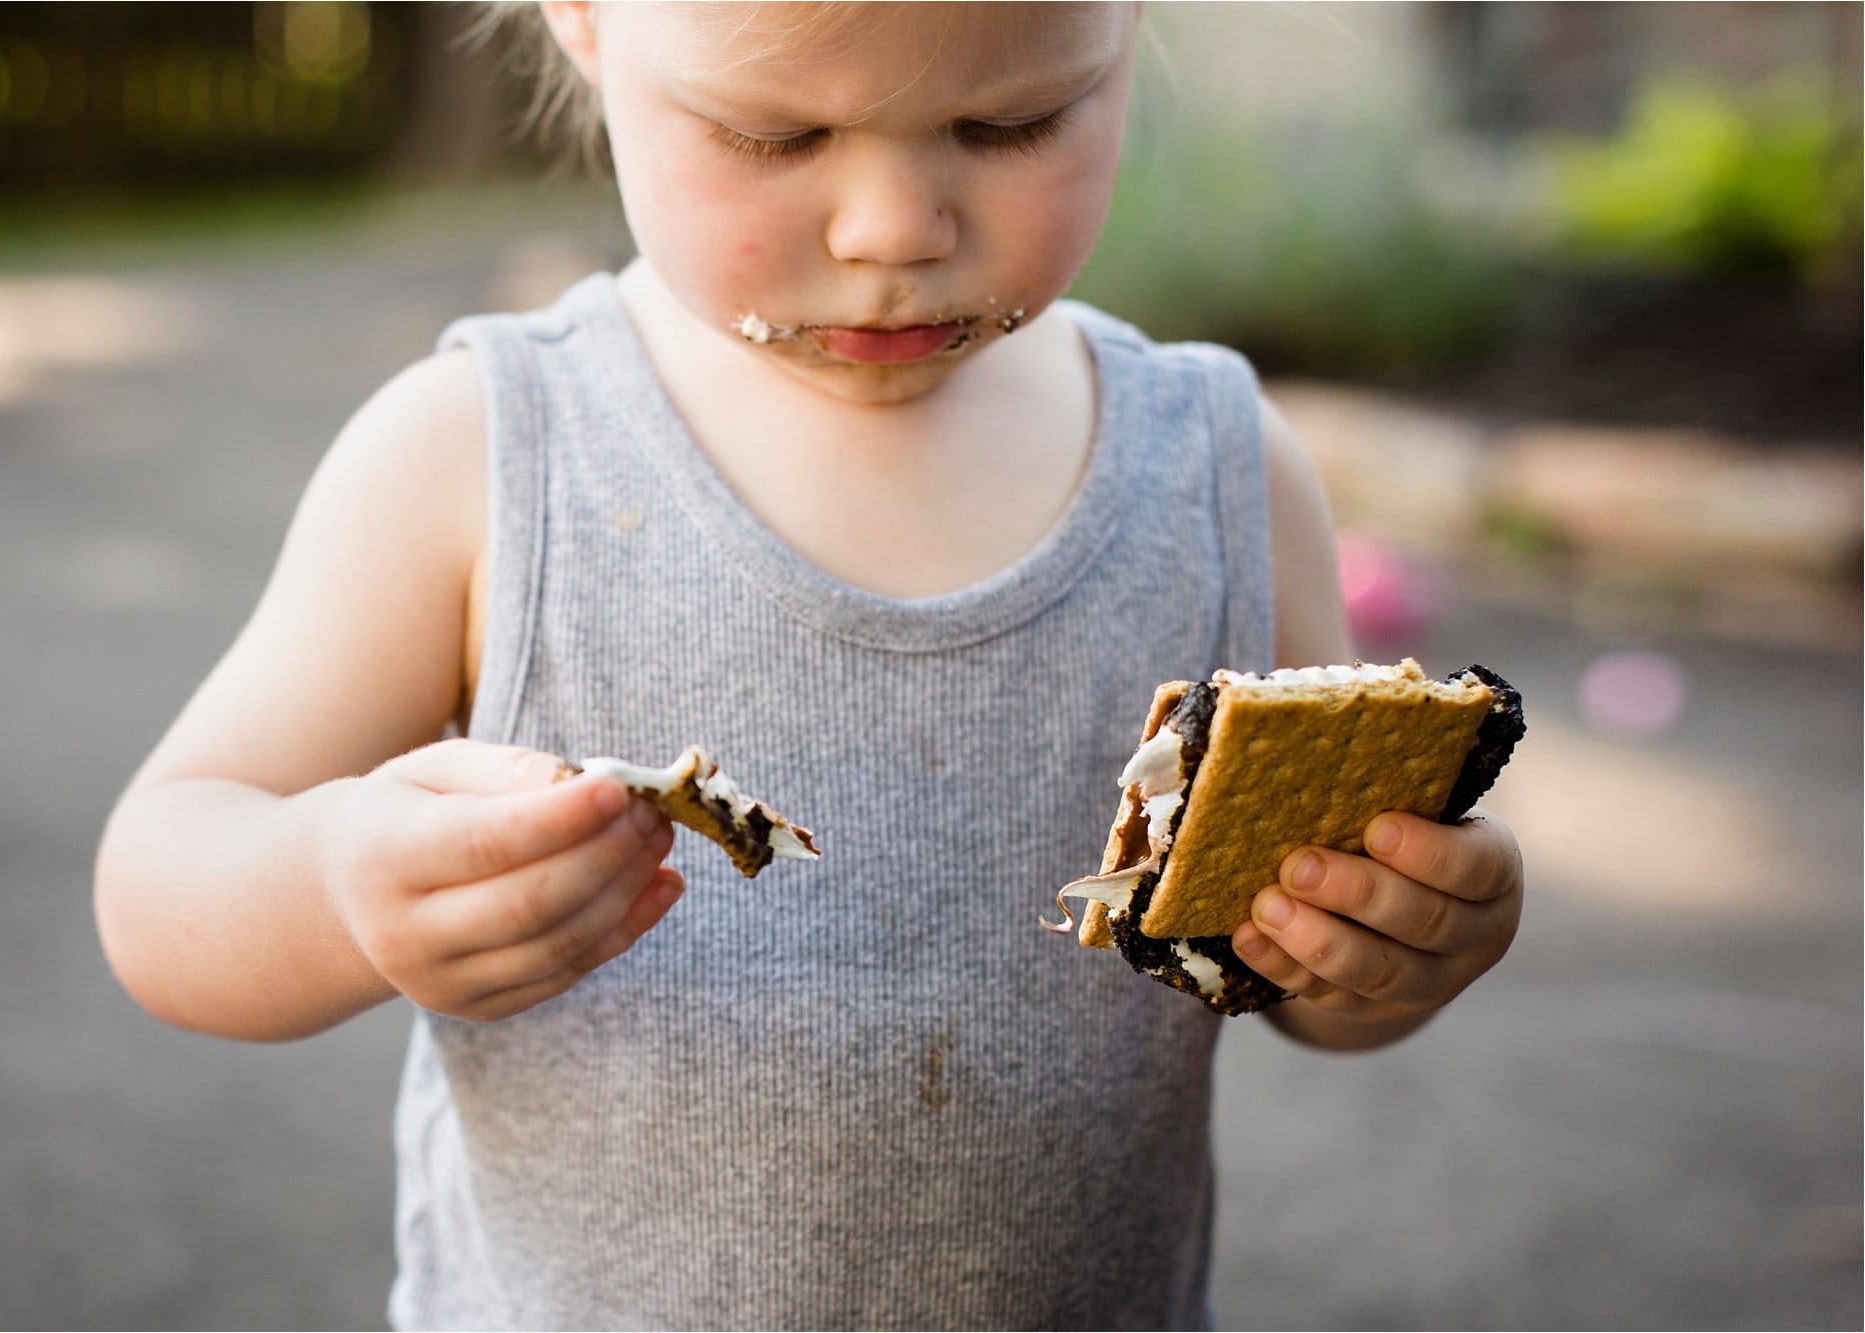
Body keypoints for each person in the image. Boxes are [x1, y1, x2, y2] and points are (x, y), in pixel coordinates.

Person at [94, 3, 1527, 1327]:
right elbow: (165, 872)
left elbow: (1283, 965)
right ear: (585, 20)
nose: (894, 228)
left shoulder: (1217, 466)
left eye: (1010, 123)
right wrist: (339, 881)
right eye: (776, 136)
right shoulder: (481, 453)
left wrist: (1383, 947)